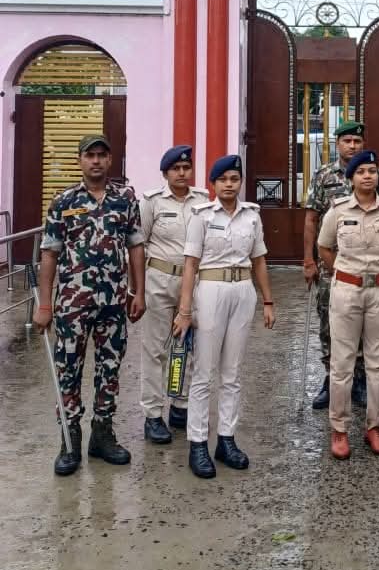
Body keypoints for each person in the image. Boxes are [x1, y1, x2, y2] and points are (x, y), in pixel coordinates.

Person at [32, 133, 145, 476]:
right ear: (80, 160)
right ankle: (70, 439)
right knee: (69, 369)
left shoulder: (125, 199)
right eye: (90, 155)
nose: (96, 160)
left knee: (109, 368)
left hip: (113, 302)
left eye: (101, 155)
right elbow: (49, 254)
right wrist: (45, 305)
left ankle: (102, 434)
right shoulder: (63, 201)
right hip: (73, 303)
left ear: (110, 160)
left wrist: (138, 292)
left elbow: (135, 246)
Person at [172, 154, 275, 479]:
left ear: (240, 181)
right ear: (213, 184)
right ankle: (198, 443)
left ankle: (226, 440)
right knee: (203, 373)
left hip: (243, 291)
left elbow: (259, 260)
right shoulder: (202, 216)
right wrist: (185, 311)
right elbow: (190, 264)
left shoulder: (252, 216)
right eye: (223, 180)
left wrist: (268, 300)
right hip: (210, 292)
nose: (229, 184)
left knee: (232, 372)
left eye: (234, 179)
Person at [317, 149, 379, 459]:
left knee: (378, 364)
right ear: (351, 178)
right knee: (341, 364)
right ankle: (339, 429)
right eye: (361, 172)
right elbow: (325, 247)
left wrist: (377, 271)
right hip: (347, 291)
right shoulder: (338, 210)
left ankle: (375, 427)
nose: (368, 176)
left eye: (372, 171)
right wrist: (347, 273)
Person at [303, 121, 379, 411]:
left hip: (366, 264)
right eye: (347, 141)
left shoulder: (375, 175)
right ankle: (331, 379)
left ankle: (359, 380)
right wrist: (309, 260)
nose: (353, 146)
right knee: (329, 323)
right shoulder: (323, 175)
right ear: (337, 143)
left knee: (364, 325)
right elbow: (311, 218)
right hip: (331, 265)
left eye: (357, 141)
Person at [139, 145, 209, 443]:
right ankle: (153, 414)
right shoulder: (151, 202)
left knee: (186, 346)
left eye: (186, 168)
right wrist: (135, 289)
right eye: (175, 169)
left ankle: (179, 406)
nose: (182, 173)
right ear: (165, 173)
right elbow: (138, 245)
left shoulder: (203, 201)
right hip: (159, 280)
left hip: (192, 282)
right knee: (155, 349)